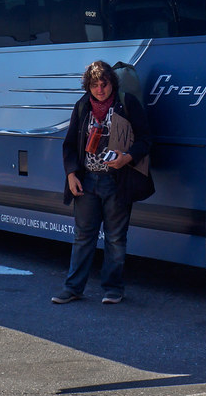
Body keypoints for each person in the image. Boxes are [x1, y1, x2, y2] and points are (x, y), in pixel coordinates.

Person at [53, 60, 152, 305]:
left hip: (116, 181)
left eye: (104, 84)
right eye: (94, 85)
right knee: (83, 236)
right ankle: (73, 287)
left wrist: (127, 158)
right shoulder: (82, 106)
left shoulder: (127, 104)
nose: (100, 89)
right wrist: (71, 174)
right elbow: (68, 146)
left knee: (115, 237)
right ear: (88, 86)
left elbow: (146, 140)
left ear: (112, 83)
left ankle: (113, 289)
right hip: (87, 181)